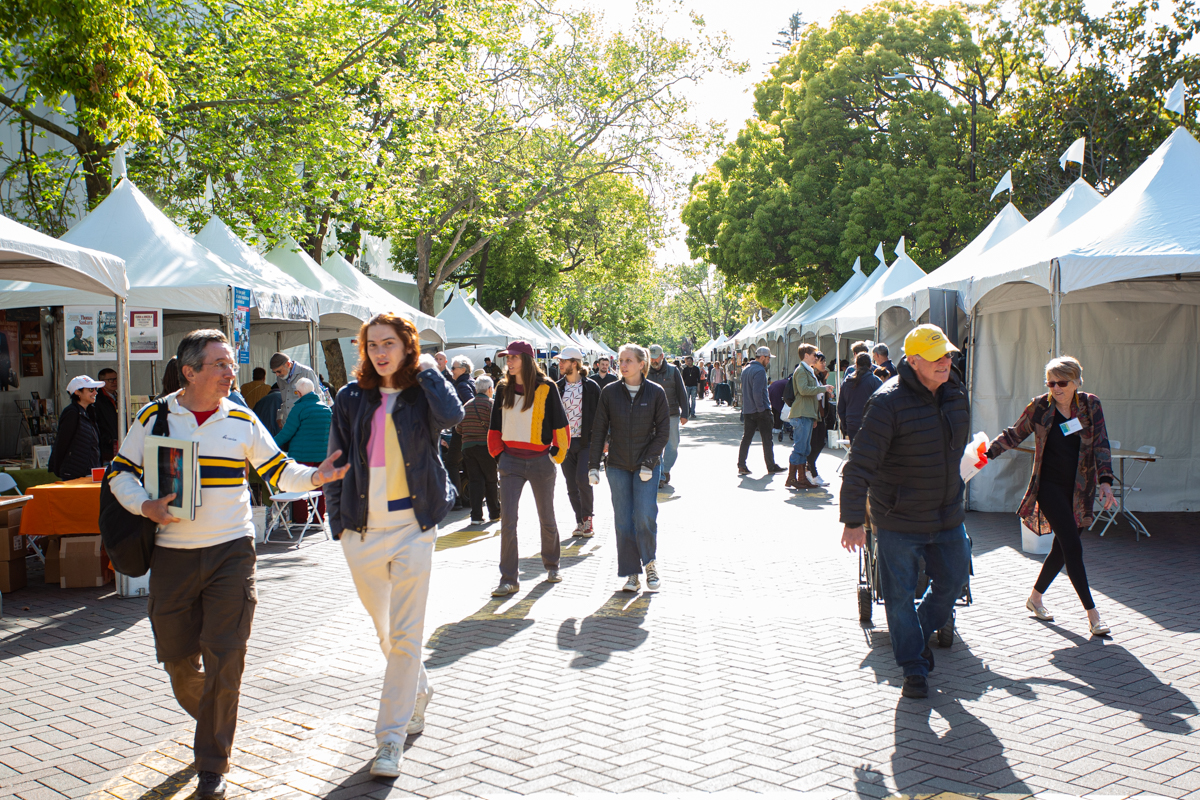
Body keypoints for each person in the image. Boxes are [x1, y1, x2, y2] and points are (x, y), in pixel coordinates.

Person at [110, 330, 346, 798]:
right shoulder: (155, 417)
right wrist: (145, 506)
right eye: (219, 364)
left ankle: (212, 764)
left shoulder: (240, 417)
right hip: (173, 555)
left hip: (232, 552)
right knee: (178, 662)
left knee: (227, 657)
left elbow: (279, 469)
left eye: (231, 364)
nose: (230, 372)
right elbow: (120, 471)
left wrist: (317, 475)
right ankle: (219, 716)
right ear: (190, 371)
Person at [324, 313, 462, 778]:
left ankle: (389, 740)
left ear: (407, 346)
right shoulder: (350, 397)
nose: (380, 352)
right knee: (386, 632)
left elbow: (454, 415)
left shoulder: (423, 392)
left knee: (406, 635)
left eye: (389, 343)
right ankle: (417, 689)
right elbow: (337, 459)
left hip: (413, 526)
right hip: (361, 530)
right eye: (372, 344)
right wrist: (338, 523)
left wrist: (428, 371)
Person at [838, 324, 971, 699]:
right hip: (899, 517)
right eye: (936, 357)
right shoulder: (886, 402)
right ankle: (913, 667)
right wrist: (852, 520)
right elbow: (860, 464)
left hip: (947, 512)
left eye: (947, 355)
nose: (946, 361)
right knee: (897, 597)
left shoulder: (955, 392)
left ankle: (919, 633)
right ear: (913, 362)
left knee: (953, 580)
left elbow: (953, 445)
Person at [985, 355, 1117, 636]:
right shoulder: (1040, 407)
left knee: (1062, 549)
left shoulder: (1090, 405)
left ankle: (1034, 599)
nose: (1056, 388)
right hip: (1049, 487)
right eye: (1051, 383)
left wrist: (1106, 481)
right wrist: (986, 453)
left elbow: (1101, 443)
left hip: (1081, 489)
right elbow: (1014, 434)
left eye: (1062, 382)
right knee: (1073, 547)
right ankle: (1093, 615)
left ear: (1077, 382)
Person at [486, 340, 570, 596]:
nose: (508, 362)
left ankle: (552, 564)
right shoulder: (502, 388)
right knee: (508, 520)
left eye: (513, 358)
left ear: (526, 359)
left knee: (546, 516)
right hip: (510, 461)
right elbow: (495, 426)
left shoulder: (547, 387)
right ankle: (508, 578)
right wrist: (499, 455)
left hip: (540, 461)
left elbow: (560, 425)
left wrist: (556, 455)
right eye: (506, 358)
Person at [588, 344, 669, 592]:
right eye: (621, 360)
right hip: (618, 465)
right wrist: (593, 465)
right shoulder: (610, 393)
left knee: (645, 516)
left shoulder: (655, 393)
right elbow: (599, 429)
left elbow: (663, 432)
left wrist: (649, 461)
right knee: (623, 521)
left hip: (647, 466)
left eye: (629, 361)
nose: (623, 365)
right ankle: (631, 573)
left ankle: (650, 564)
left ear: (641, 364)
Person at [555, 347, 601, 538]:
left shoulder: (591, 387)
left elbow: (601, 416)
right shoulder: (557, 387)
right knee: (571, 485)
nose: (560, 364)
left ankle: (588, 519)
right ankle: (580, 521)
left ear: (574, 364)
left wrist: (604, 441)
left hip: (585, 442)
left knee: (583, 479)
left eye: (563, 361)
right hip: (564, 443)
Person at [274, 377, 333, 520]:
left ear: (299, 393)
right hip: (321, 456)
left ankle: (301, 519)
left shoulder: (299, 408)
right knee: (319, 488)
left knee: (300, 487)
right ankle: (319, 517)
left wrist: (270, 444)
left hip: (302, 456)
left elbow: (287, 433)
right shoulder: (326, 409)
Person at [784, 344, 831, 490]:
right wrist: (824, 388)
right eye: (814, 355)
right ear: (806, 355)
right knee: (800, 448)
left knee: (804, 448)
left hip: (806, 414)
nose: (816, 358)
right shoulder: (802, 370)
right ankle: (794, 478)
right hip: (802, 414)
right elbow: (804, 390)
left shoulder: (807, 370)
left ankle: (800, 478)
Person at [737, 346, 786, 476]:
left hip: (748, 410)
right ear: (763, 357)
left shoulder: (746, 369)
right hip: (760, 410)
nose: (769, 361)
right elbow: (757, 392)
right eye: (768, 358)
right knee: (767, 439)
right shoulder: (759, 371)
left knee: (746, 438)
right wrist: (761, 410)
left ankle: (741, 465)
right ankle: (771, 466)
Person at [459, 376, 500, 524]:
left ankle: (476, 516)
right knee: (491, 480)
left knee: (475, 481)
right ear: (490, 389)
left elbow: (458, 428)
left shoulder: (466, 405)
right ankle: (494, 513)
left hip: (468, 448)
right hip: (486, 447)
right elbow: (497, 425)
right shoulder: (491, 404)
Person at [646, 344, 687, 488]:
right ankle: (661, 475)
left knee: (673, 446)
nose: (654, 361)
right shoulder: (645, 371)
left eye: (656, 358)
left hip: (672, 414)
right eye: (651, 358)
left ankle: (666, 469)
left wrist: (685, 413)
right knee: (656, 445)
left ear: (662, 356)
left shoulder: (673, 370)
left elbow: (681, 392)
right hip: (652, 416)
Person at [49, 376, 105, 480]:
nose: (95, 393)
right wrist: (59, 468)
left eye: (95, 389)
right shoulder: (72, 413)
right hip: (74, 473)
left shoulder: (89, 412)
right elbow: (62, 442)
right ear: (77, 392)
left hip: (89, 471)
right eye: (90, 390)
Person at [447, 356, 476, 507]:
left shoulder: (462, 385)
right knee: (466, 463)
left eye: (454, 367)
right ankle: (469, 498)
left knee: (451, 462)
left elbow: (470, 404)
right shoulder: (470, 381)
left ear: (463, 369)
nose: (451, 370)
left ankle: (456, 499)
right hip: (469, 431)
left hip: (462, 430)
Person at [837, 352, 884, 444]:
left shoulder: (847, 382)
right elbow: (883, 405)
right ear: (871, 365)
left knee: (856, 453)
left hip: (852, 424)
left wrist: (845, 426)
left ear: (856, 365)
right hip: (871, 424)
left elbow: (841, 407)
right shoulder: (875, 381)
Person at [807, 352, 835, 487]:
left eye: (824, 362)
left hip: (821, 414)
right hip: (814, 415)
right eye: (821, 362)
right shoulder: (812, 376)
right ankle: (812, 473)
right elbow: (813, 396)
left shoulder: (820, 376)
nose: (824, 364)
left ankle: (809, 470)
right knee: (815, 444)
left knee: (820, 443)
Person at [269, 353, 320, 427]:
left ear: (288, 364)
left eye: (279, 371)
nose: (277, 374)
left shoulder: (306, 372)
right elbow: (285, 400)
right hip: (288, 424)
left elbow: (317, 399)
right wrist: (280, 417)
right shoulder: (280, 378)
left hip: (304, 424)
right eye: (275, 372)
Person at [95, 367, 119, 459]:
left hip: (119, 444)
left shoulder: (119, 397)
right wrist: (107, 440)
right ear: (101, 381)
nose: (115, 382)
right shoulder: (97, 400)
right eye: (111, 380)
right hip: (105, 448)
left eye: (116, 379)